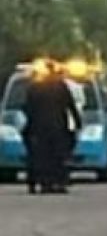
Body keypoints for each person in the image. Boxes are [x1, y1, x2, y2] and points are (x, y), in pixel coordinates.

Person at [23, 64, 82, 195]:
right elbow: (70, 105)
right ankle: (59, 183)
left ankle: (44, 183)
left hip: (38, 128)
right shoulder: (61, 87)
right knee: (58, 156)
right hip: (58, 127)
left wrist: (30, 124)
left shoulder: (34, 87)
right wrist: (78, 123)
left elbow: (26, 108)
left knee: (42, 156)